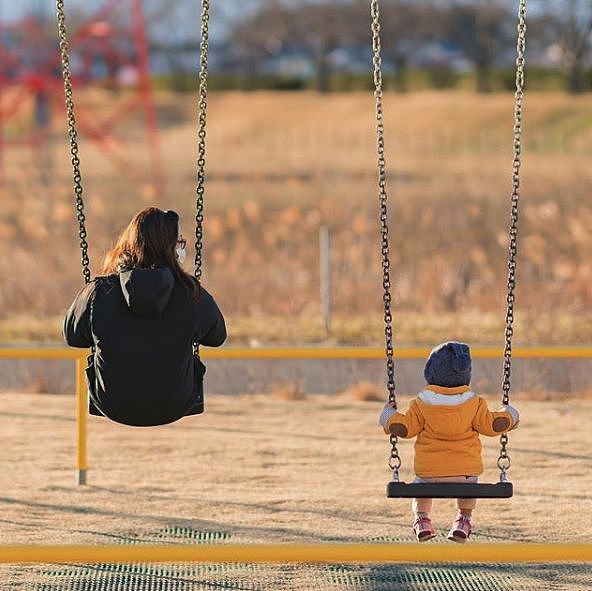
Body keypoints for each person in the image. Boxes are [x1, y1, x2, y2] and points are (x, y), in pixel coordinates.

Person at [63, 207, 226, 427]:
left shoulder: (99, 292)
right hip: (176, 402)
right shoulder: (190, 294)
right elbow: (216, 337)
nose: (181, 247)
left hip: (112, 402)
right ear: (170, 248)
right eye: (179, 242)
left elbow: (73, 337)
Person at [378, 341, 519, 543]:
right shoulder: (475, 404)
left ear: (430, 373)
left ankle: (422, 520)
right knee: (471, 481)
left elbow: (405, 428)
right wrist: (509, 416)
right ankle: (463, 520)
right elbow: (492, 426)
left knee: (421, 484)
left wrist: (388, 415)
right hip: (465, 475)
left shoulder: (421, 404)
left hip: (429, 474)